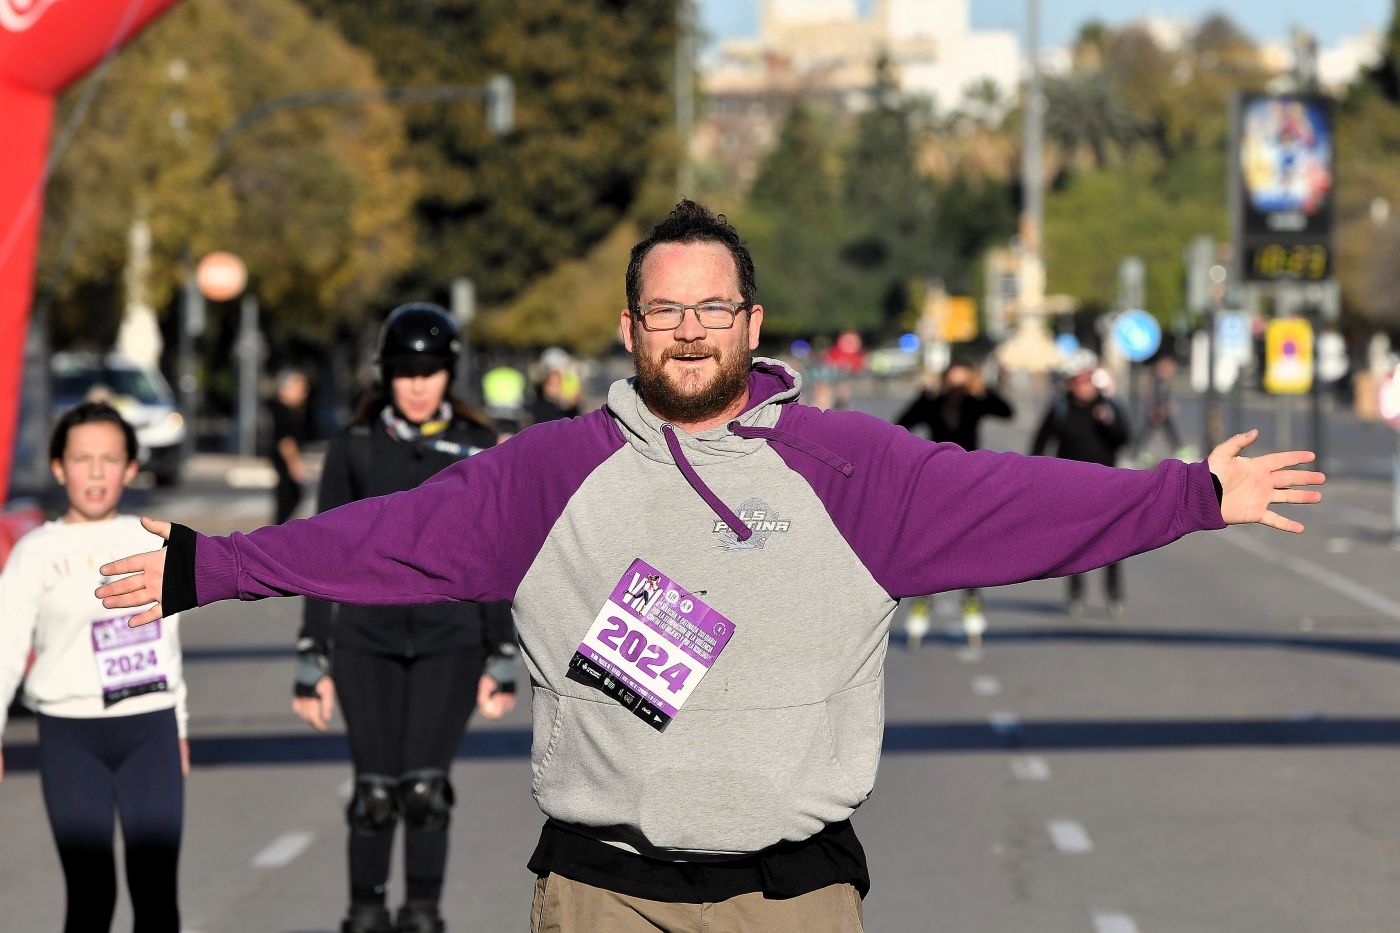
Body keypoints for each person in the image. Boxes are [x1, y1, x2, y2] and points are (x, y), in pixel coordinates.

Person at [98, 201, 1324, 933]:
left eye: (712, 307)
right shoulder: (547, 471)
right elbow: (387, 537)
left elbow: (1020, 500)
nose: (688, 330)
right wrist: (213, 567)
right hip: (600, 894)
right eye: (663, 311)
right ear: (630, 329)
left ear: (749, 322)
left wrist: (1192, 495)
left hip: (790, 903)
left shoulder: (851, 469)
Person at [292, 303, 520, 933]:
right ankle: (364, 913)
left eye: (429, 372)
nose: (417, 385)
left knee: (423, 793)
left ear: (450, 374)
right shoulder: (356, 446)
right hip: (364, 638)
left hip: (451, 641)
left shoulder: (475, 448)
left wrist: (500, 651)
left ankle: (423, 912)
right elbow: (321, 552)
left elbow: (492, 555)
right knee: (373, 796)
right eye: (404, 372)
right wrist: (313, 651)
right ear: (386, 377)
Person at [1, 401, 189, 932]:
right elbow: (5, 648)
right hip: (70, 735)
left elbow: (167, 640)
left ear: (131, 467)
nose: (97, 471)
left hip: (150, 727)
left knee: (155, 894)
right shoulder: (35, 551)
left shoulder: (152, 537)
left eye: (110, 459)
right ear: (60, 467)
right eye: (83, 459)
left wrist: (178, 727)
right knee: (90, 895)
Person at [895, 359, 1015, 646]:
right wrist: (923, 395)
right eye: (954, 381)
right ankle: (920, 607)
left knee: (969, 550)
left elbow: (1007, 412)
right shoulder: (932, 403)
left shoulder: (975, 403)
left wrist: (983, 390)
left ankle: (972, 607)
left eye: (964, 382)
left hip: (970, 485)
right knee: (926, 549)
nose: (958, 388)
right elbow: (903, 423)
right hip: (935, 485)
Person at [1030, 366, 1133, 618]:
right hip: (1070, 486)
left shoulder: (1107, 406)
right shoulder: (1060, 408)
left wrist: (1107, 422)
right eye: (1078, 383)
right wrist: (1033, 476)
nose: (1083, 388)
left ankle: (1113, 594)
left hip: (1106, 484)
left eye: (1087, 383)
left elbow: (1124, 438)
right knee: (1075, 543)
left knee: (1111, 541)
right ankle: (1075, 594)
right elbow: (1040, 441)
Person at [269, 368, 310, 524]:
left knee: (291, 499)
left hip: (285, 462)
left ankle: (277, 532)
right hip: (284, 462)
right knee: (287, 499)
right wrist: (294, 464)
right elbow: (285, 441)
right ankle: (274, 536)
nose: (303, 394)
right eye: (300, 389)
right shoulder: (282, 411)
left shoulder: (291, 411)